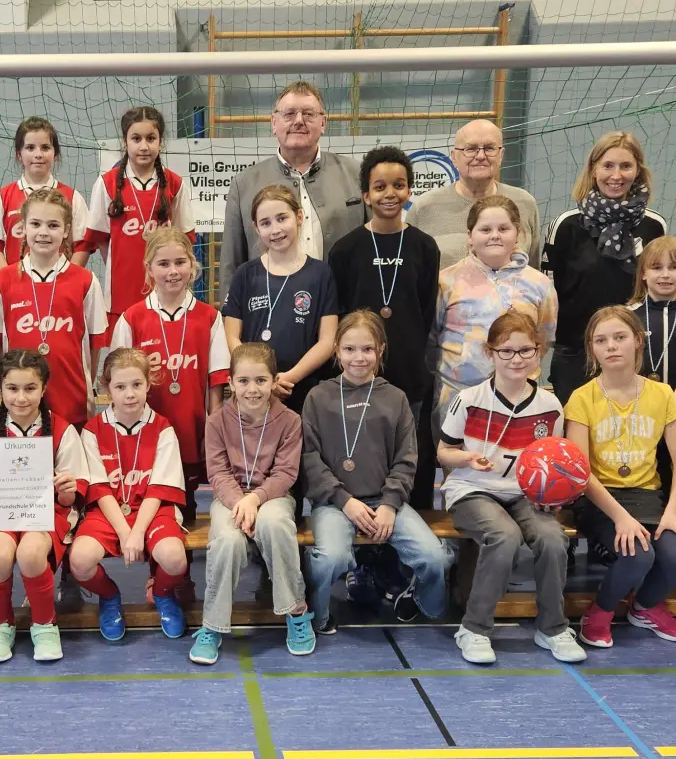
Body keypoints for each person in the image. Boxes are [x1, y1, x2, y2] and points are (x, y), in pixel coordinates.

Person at [437, 311, 582, 664]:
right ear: (490, 353)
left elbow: (555, 460)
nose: (516, 359)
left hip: (526, 494)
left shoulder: (549, 405)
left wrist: (554, 495)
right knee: (504, 535)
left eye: (525, 351)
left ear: (539, 352)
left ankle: (553, 628)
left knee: (552, 537)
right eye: (506, 351)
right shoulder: (469, 398)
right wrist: (468, 458)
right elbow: (444, 452)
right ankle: (474, 629)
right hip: (473, 490)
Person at [303, 311, 451, 633]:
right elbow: (309, 458)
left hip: (385, 503)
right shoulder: (318, 397)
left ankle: (425, 601)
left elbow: (406, 459)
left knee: (434, 558)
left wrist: (388, 504)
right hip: (335, 504)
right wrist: (344, 500)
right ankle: (318, 615)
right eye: (350, 349)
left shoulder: (395, 398)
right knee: (330, 558)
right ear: (337, 350)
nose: (359, 358)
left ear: (381, 350)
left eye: (367, 349)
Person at [564, 307, 676, 649]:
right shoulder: (582, 398)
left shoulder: (662, 394)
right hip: (601, 499)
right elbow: (581, 471)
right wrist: (620, 518)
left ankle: (645, 607)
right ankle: (599, 611)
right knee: (639, 554)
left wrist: (672, 512)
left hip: (648, 497)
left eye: (620, 337)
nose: (611, 346)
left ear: (637, 341)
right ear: (592, 348)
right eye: (601, 340)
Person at [328, 145, 441, 508]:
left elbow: (425, 312)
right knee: (364, 456)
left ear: (409, 191)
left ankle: (415, 532)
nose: (389, 194)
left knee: (413, 456)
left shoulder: (425, 247)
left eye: (398, 185)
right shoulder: (346, 250)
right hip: (362, 374)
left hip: (409, 373)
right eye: (379, 187)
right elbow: (342, 313)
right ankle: (367, 547)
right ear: (366, 194)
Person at [0, 349, 89, 664]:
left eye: (30, 388)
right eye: (12, 389)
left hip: (47, 513)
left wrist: (67, 490)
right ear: (0, 390)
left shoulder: (63, 430)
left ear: (44, 389)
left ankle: (44, 624)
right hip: (2, 512)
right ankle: (0, 625)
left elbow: (72, 498)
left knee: (31, 552)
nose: (21, 397)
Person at [189, 343, 309, 665]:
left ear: (274, 381)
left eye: (260, 380)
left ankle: (296, 611)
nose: (252, 389)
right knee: (226, 541)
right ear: (230, 383)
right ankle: (212, 626)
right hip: (230, 498)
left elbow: (286, 473)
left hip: (272, 496)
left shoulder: (290, 421)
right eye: (243, 381)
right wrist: (240, 501)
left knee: (275, 523)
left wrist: (256, 499)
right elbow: (216, 472)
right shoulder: (216, 421)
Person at [109, 228, 229, 526]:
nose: (172, 271)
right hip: (146, 433)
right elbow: (117, 383)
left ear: (193, 264)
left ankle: (182, 572)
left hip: (192, 431)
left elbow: (216, 386)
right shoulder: (132, 318)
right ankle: (163, 569)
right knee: (152, 507)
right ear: (148, 268)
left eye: (180, 262)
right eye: (163, 264)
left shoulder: (209, 317)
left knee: (186, 508)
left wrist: (213, 434)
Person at [69, 348, 192, 642]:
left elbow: (160, 489)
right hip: (109, 510)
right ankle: (109, 596)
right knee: (80, 560)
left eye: (137, 384)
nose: (130, 394)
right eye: (120, 386)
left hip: (153, 509)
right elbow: (98, 489)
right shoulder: (93, 430)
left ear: (149, 384)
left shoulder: (163, 429)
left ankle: (162, 593)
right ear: (107, 389)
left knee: (175, 559)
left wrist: (137, 532)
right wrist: (125, 532)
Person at [543, 132, 668, 404]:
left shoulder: (655, 226)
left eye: (626, 166)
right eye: (608, 165)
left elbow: (660, 291)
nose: (616, 175)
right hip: (576, 355)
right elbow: (549, 296)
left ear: (638, 171)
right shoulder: (566, 225)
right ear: (593, 169)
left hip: (634, 354)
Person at [0, 187, 109, 427]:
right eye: (35, 224)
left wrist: (84, 380)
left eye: (53, 225)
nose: (43, 233)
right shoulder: (2, 281)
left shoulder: (86, 281)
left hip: (72, 400)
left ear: (67, 230)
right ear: (23, 228)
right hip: (21, 402)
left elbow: (94, 346)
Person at [218, 81, 363, 289]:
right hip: (268, 311)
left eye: (308, 114)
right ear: (273, 123)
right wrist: (229, 316)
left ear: (323, 123)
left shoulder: (355, 175)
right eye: (289, 114)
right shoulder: (244, 184)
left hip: (343, 310)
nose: (298, 121)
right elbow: (231, 264)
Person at [221, 185, 340, 414]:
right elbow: (231, 335)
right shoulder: (245, 274)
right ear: (256, 228)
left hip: (303, 389)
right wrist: (259, 379)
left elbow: (327, 341)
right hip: (254, 393)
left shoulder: (320, 274)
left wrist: (287, 378)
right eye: (265, 223)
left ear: (298, 217)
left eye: (281, 218)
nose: (275, 229)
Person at [436, 195, 557, 421]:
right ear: (470, 236)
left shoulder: (539, 284)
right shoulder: (446, 281)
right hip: (457, 396)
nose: (494, 235)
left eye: (503, 228)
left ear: (517, 233)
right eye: (485, 229)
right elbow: (433, 338)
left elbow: (544, 338)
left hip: (518, 397)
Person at [80, 106, 197, 321]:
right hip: (121, 291)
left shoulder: (175, 184)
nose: (144, 146)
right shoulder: (107, 184)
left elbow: (185, 241)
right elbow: (100, 240)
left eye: (151, 138)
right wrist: (119, 266)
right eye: (136, 138)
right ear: (125, 142)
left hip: (166, 290)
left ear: (160, 142)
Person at [407, 119, 542, 271]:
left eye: (489, 148)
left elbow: (533, 269)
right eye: (470, 149)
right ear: (454, 157)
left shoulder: (525, 203)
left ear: (501, 155)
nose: (480, 156)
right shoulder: (424, 208)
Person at [0, 117, 90, 272]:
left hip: (61, 290)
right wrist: (11, 283)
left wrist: (68, 281)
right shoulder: (1, 197)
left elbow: (82, 246)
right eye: (30, 148)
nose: (38, 154)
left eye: (45, 147)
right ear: (18, 154)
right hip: (16, 291)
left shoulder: (73, 198)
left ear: (55, 154)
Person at [629, 236, 676, 390]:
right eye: (656, 267)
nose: (665, 274)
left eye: (674, 267)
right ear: (643, 272)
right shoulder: (627, 317)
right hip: (636, 406)